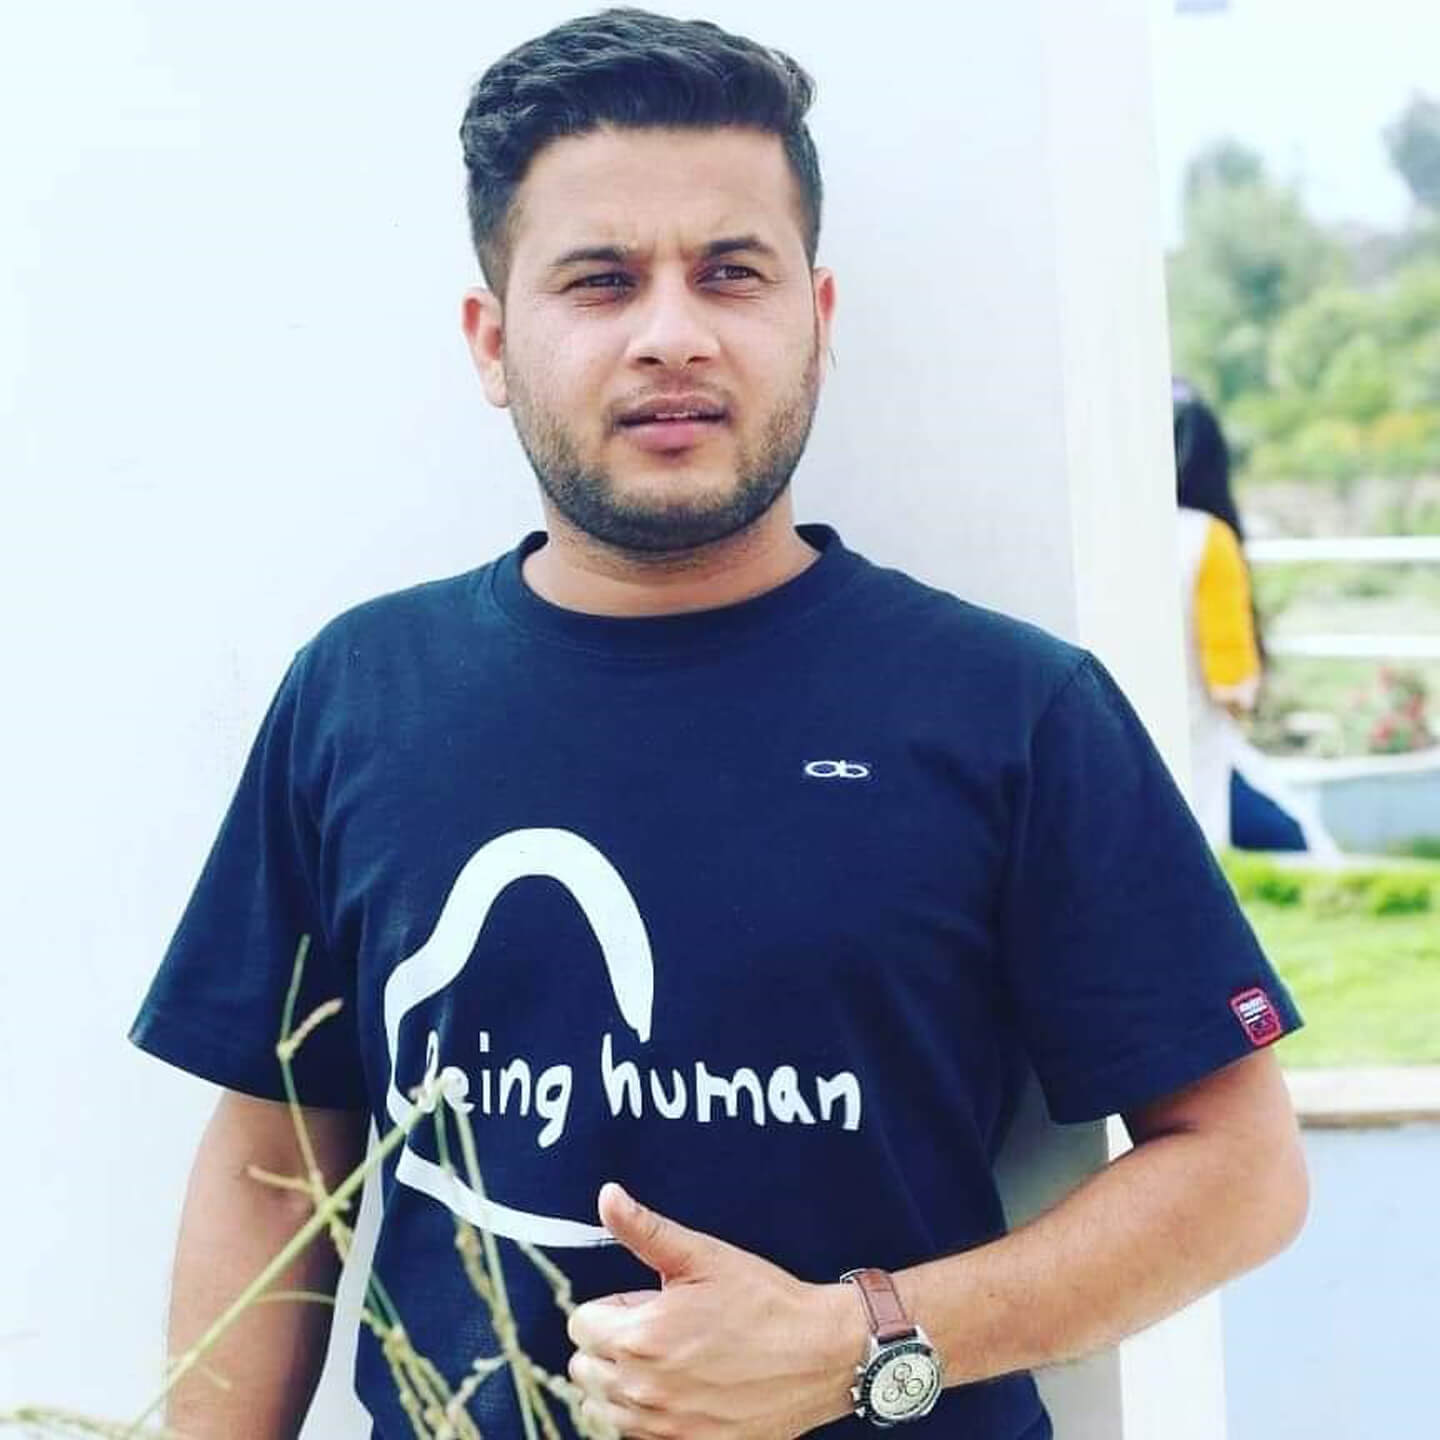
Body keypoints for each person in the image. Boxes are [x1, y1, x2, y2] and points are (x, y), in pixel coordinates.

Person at [131, 12, 1309, 1438]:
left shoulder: (1011, 710)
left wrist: (861, 1338)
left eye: (731, 273)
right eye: (601, 280)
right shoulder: (361, 693)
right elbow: (271, 1163)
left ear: (816, 316)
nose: (672, 334)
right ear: (493, 341)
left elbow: (1239, 1167)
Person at [1173, 379, 1339, 856]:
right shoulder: (1206, 539)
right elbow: (1233, 689)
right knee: (1306, 847)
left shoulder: (1110, 536)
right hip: (1197, 757)